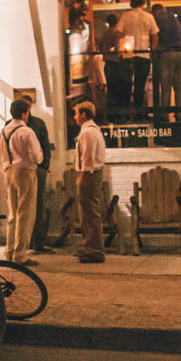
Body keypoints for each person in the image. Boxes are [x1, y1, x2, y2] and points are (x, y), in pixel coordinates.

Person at [0, 97, 44, 264]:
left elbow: (0, 155)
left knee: (12, 214)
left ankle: (9, 251)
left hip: (8, 171)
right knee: (25, 214)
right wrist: (39, 158)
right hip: (25, 172)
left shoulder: (4, 131)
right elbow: (36, 156)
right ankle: (20, 255)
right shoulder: (27, 132)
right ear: (25, 113)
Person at [13, 89, 56, 254]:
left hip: (37, 170)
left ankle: (38, 241)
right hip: (21, 170)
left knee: (39, 205)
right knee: (22, 207)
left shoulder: (38, 123)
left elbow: (45, 146)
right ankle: (24, 242)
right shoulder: (12, 125)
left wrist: (44, 166)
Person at [72, 101, 107, 263]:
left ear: (84, 114)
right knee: (88, 212)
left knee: (89, 213)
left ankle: (94, 249)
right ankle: (90, 246)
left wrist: (83, 176)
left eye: (77, 113)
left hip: (89, 175)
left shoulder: (88, 133)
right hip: (93, 173)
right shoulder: (92, 130)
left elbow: (87, 155)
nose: (75, 116)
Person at [117, 0, 158, 114]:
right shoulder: (149, 17)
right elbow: (155, 37)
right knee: (140, 86)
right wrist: (151, 52)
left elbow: (118, 32)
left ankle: (125, 113)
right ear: (143, 4)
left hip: (129, 55)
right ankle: (139, 113)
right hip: (144, 55)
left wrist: (125, 43)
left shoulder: (125, 16)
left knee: (127, 84)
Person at [150, 3, 181, 121]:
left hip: (166, 53)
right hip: (180, 53)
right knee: (179, 86)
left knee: (166, 86)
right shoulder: (173, 18)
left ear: (155, 11)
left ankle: (165, 114)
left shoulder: (157, 19)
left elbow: (155, 37)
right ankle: (179, 114)